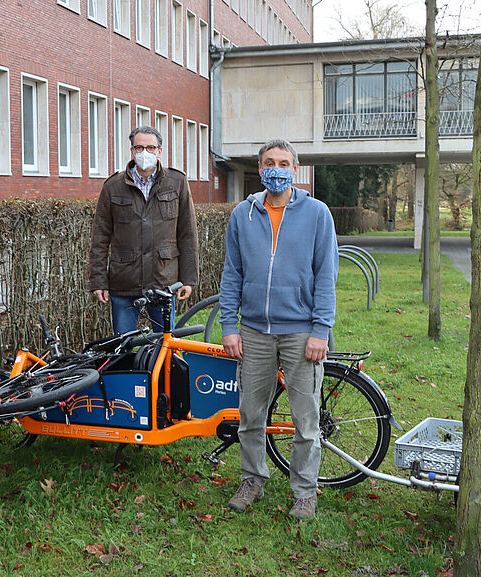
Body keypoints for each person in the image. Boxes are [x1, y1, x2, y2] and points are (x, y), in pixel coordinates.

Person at [219, 139, 338, 520]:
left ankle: (304, 491)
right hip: (254, 330)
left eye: (284, 163)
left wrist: (321, 329)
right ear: (259, 168)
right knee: (250, 415)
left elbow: (326, 276)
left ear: (295, 169)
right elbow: (232, 273)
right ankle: (252, 479)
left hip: (301, 332)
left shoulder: (317, 214)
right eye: (269, 162)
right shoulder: (243, 214)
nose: (276, 168)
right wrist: (228, 324)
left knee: (305, 420)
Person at [88, 126, 199, 334]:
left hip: (163, 281)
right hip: (124, 282)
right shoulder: (113, 186)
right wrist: (98, 281)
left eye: (150, 147)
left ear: (159, 151)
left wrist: (189, 279)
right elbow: (100, 237)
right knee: (123, 344)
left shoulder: (176, 182)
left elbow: (187, 233)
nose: (144, 152)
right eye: (139, 147)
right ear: (132, 151)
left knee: (164, 343)